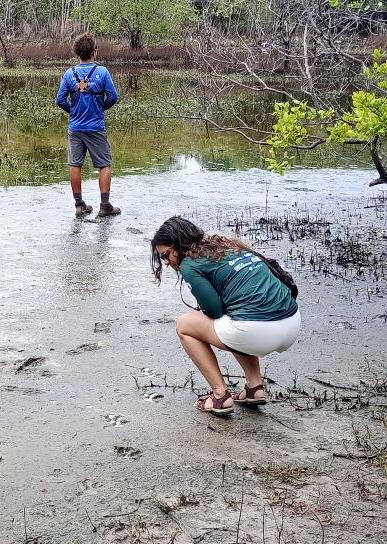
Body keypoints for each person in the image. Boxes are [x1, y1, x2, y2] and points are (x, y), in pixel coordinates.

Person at [151, 216, 301, 416]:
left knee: (185, 325)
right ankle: (254, 387)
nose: (167, 262)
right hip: (292, 322)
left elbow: (213, 311)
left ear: (178, 245)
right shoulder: (228, 246)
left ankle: (220, 396)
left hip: (257, 331)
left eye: (166, 255)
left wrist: (206, 307)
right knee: (235, 314)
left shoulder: (189, 264)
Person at [56, 33, 120, 217]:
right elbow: (113, 98)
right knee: (105, 164)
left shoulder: (70, 74)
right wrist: (100, 108)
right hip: (95, 127)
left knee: (75, 165)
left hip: (75, 128)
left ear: (78, 53)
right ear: (94, 51)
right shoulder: (102, 72)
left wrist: (73, 111)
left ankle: (79, 205)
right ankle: (105, 206)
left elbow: (60, 100)